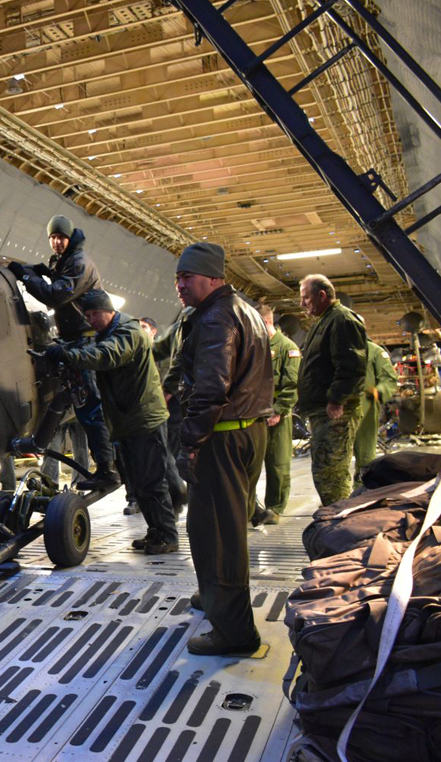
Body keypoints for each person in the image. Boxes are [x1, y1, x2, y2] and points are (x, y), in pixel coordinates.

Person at [173, 243, 272, 656]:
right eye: (178, 278)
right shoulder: (244, 309)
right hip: (248, 431)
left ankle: (234, 632)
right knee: (225, 526)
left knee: (216, 534)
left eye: (188, 277)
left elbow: (212, 388)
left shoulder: (215, 318)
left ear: (213, 278)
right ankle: (213, 595)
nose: (180, 285)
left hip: (221, 437)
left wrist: (190, 443)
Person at [44, 290, 178, 554]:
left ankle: (168, 536)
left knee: (152, 482)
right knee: (139, 483)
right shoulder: (108, 333)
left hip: (145, 420)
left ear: (109, 310)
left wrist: (70, 356)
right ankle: (155, 532)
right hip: (128, 420)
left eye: (95, 314)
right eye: (87, 315)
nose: (91, 320)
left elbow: (107, 355)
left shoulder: (129, 332)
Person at [9, 214, 118, 490]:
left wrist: (25, 276)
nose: (57, 242)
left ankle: (107, 469)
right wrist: (43, 271)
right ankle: (105, 467)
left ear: (70, 238)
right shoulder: (64, 260)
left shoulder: (79, 262)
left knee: (90, 407)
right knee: (84, 408)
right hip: (72, 340)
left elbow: (56, 295)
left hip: (83, 342)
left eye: (61, 237)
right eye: (53, 237)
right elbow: (57, 279)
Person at [296, 274, 368, 506]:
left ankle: (340, 518)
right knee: (325, 471)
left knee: (332, 473)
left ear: (321, 295)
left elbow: (351, 365)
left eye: (306, 298)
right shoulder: (324, 321)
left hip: (335, 413)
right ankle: (335, 513)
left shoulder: (341, 320)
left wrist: (337, 400)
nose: (302, 304)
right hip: (322, 412)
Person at [247, 304, 299, 523]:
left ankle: (274, 508)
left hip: (278, 414)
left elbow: (292, 384)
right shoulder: (254, 346)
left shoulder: (287, 347)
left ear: (266, 322)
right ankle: (250, 509)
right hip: (255, 413)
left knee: (277, 463)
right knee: (251, 464)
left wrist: (278, 410)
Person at [140, 316, 188, 517]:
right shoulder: (179, 326)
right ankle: (173, 499)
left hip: (178, 402)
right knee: (166, 451)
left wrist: (168, 389)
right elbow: (158, 350)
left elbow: (179, 363)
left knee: (169, 451)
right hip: (168, 402)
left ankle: (176, 495)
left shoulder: (194, 323)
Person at [354, 337, 399, 481]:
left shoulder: (373, 351)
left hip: (364, 408)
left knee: (365, 456)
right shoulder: (332, 348)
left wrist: (378, 392)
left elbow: (389, 378)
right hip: (335, 409)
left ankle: (364, 487)